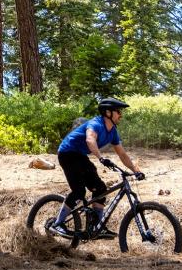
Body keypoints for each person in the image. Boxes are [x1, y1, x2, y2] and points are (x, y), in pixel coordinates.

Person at [48, 97, 145, 238]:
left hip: (80, 156)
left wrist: (136, 171)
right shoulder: (96, 124)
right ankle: (57, 224)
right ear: (108, 113)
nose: (121, 115)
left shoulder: (112, 132)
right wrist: (100, 158)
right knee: (79, 191)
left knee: (100, 189)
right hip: (67, 153)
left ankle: (96, 226)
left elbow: (122, 154)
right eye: (118, 111)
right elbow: (90, 139)